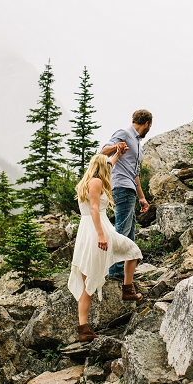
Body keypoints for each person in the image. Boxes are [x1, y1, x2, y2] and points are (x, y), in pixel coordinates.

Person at [68, 151, 144, 343]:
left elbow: (108, 163)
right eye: (107, 167)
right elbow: (94, 208)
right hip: (97, 231)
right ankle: (84, 327)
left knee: (130, 252)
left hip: (88, 232)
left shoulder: (87, 182)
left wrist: (117, 154)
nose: (110, 170)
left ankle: (83, 327)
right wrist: (101, 235)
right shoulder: (96, 182)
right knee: (130, 251)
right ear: (101, 168)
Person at [100, 109, 153, 281]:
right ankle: (115, 271)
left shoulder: (139, 145)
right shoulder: (124, 133)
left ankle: (124, 270)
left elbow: (135, 173)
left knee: (129, 232)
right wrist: (117, 147)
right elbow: (103, 151)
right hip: (120, 186)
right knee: (122, 229)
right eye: (150, 126)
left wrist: (142, 197)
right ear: (147, 124)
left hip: (130, 188)